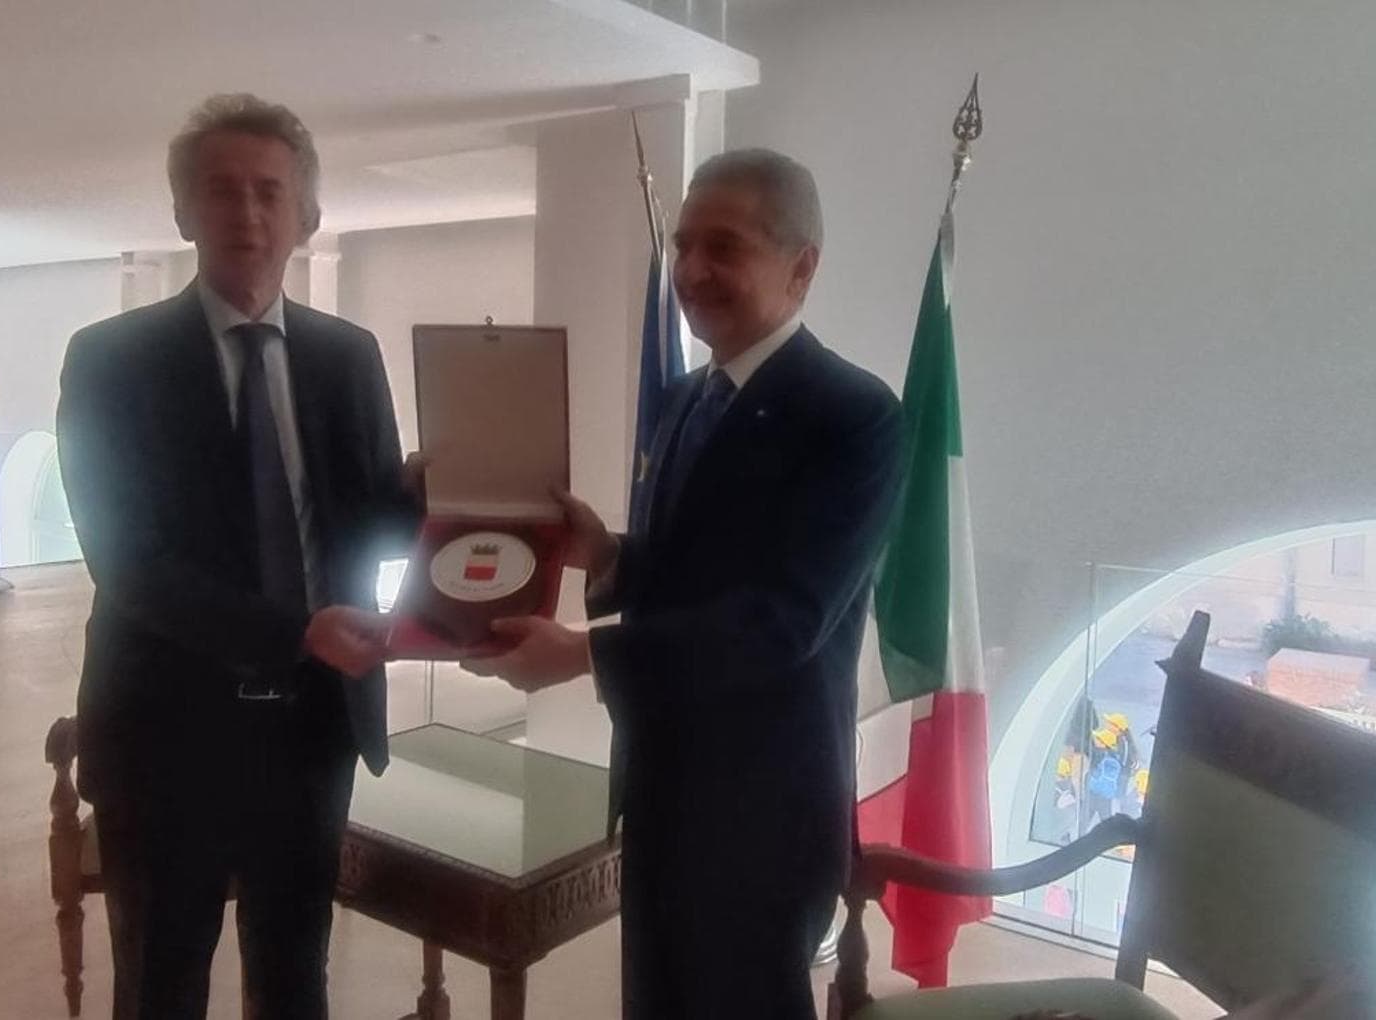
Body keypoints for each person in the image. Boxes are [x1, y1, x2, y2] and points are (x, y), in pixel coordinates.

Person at [466, 148, 905, 1018]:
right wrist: (608, 556)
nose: (692, 271)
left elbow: (782, 621)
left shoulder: (855, 417)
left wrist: (583, 656)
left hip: (762, 812)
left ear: (801, 267)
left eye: (724, 247)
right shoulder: (683, 400)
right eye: (683, 246)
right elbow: (696, 571)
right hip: (658, 785)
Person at [56, 94, 418, 1020]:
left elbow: (370, 522)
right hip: (163, 731)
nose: (246, 213)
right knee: (160, 983)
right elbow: (127, 562)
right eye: (221, 191)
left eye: (269, 191)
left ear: (307, 215)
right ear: (184, 212)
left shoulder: (348, 356)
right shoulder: (110, 361)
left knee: (295, 980)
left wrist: (458, 495)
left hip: (313, 732)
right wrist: (295, 632)